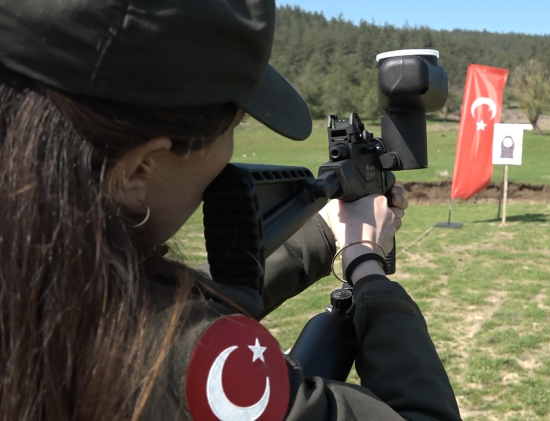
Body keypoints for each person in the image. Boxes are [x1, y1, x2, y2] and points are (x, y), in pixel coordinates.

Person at [0, 0, 461, 419]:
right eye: (233, 128)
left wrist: (326, 233)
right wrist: (366, 266)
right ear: (138, 170)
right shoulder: (175, 360)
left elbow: (164, 296)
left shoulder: (44, 277)